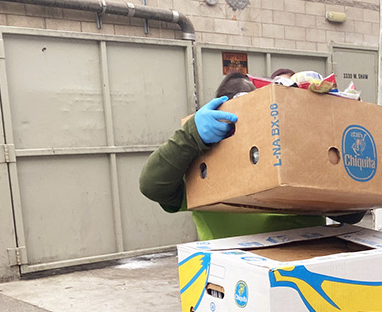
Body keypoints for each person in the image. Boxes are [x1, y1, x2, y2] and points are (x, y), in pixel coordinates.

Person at [139, 72, 324, 240]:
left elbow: (351, 210)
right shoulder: (203, 168)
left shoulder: (289, 157)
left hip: (301, 270)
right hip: (233, 270)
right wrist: (191, 135)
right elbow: (152, 185)